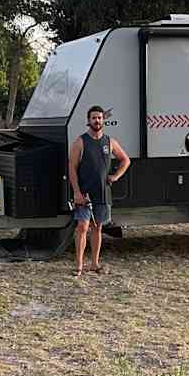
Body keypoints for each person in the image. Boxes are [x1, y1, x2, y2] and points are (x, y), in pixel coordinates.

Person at [68, 105, 131, 277]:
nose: (97, 121)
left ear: (104, 120)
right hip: (84, 194)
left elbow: (125, 160)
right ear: (88, 121)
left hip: (102, 193)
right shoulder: (80, 142)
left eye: (100, 118)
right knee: (82, 227)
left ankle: (95, 264)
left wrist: (115, 176)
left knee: (97, 227)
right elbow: (72, 169)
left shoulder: (110, 142)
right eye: (94, 118)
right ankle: (79, 266)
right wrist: (76, 192)